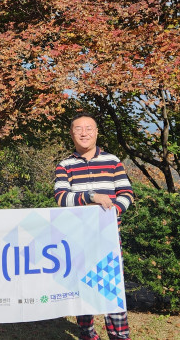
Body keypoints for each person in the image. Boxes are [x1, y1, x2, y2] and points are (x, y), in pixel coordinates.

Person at [54, 113, 135, 340]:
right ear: (71, 134)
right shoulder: (64, 166)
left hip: (108, 236)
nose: (84, 133)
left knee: (112, 287)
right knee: (83, 287)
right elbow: (61, 198)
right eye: (78, 129)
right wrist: (91, 197)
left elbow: (127, 193)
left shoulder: (113, 161)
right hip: (78, 237)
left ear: (96, 132)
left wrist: (113, 212)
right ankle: (87, 333)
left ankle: (119, 335)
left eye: (89, 128)